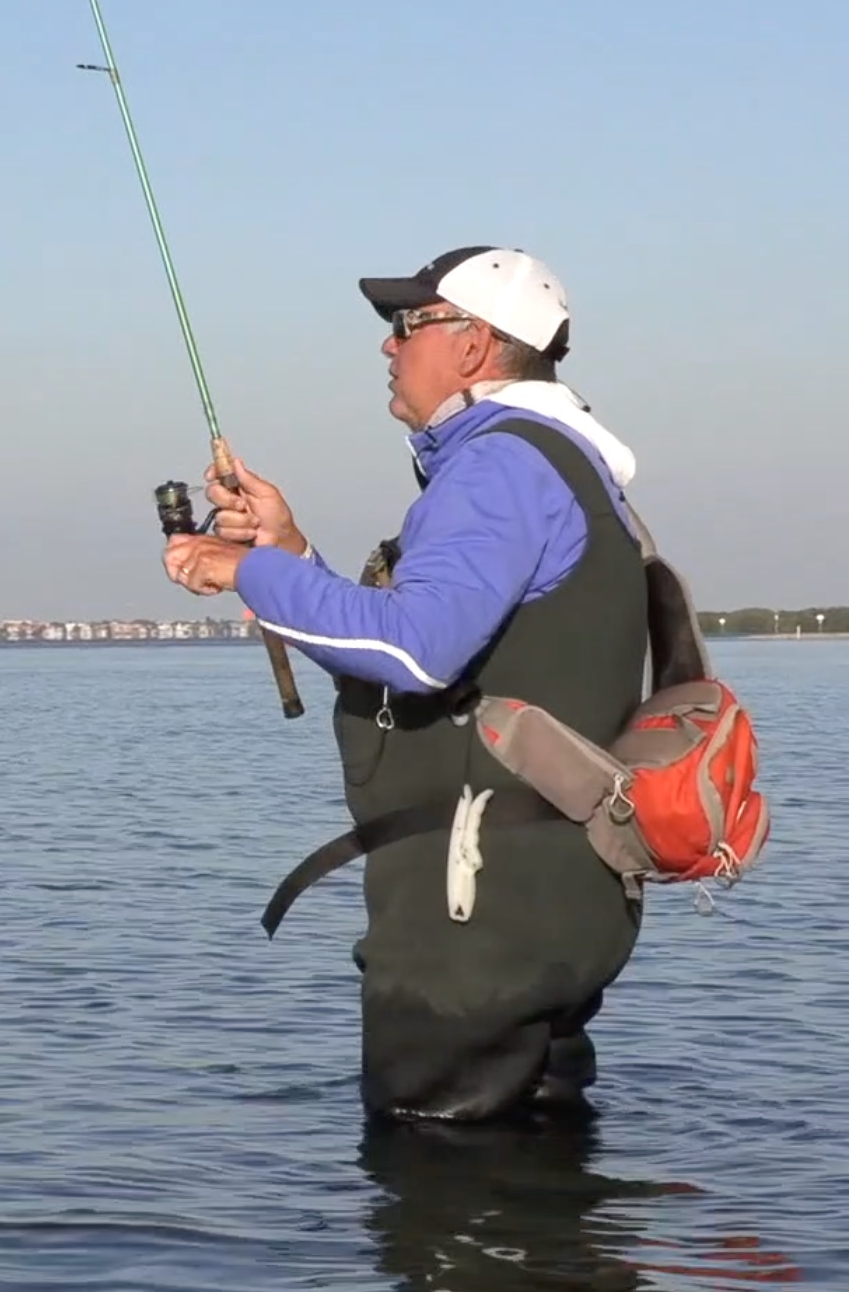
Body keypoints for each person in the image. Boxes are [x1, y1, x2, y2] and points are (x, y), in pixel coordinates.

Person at [161, 245, 652, 1125]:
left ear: (474, 344)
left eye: (406, 326)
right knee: (536, 1188)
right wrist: (290, 551)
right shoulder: (558, 460)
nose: (388, 348)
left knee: (443, 1197)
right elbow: (421, 652)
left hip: (478, 917)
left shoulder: (500, 465)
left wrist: (245, 570)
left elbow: (417, 652)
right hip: (547, 898)